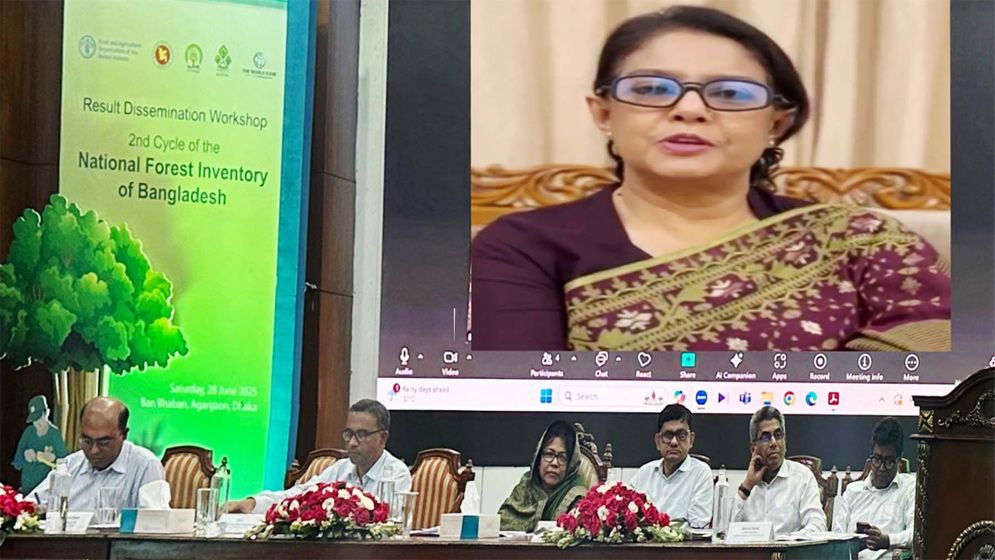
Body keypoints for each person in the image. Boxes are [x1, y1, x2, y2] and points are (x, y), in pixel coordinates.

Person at [471, 5, 950, 352]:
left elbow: (932, 375)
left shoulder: (857, 239)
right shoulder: (522, 246)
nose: (690, 109)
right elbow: (520, 397)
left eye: (731, 93)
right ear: (603, 113)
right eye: (652, 88)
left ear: (776, 122)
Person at [225, 399, 411, 514]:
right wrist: (252, 503)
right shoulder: (341, 469)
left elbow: (386, 523)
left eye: (361, 435)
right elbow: (299, 495)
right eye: (349, 434)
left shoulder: (397, 474)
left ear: (383, 438)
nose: (352, 443)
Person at [28, 397, 164, 510]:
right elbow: (30, 505)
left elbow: (155, 523)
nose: (94, 450)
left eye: (103, 442)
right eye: (87, 441)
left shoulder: (145, 466)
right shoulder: (71, 464)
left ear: (124, 435)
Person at [733, 406, 826, 536]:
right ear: (753, 448)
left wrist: (785, 542)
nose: (773, 443)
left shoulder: (802, 478)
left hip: (789, 548)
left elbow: (817, 526)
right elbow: (723, 531)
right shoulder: (748, 484)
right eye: (765, 437)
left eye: (778, 435)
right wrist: (747, 486)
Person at [833, 418, 914, 559]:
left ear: (899, 459)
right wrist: (853, 543)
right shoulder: (852, 491)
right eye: (877, 459)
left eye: (889, 461)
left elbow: (915, 534)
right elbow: (836, 537)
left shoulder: (909, 488)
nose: (882, 468)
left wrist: (887, 541)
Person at [629, 404, 712, 528]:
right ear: (658, 441)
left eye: (681, 435)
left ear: (691, 440)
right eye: (668, 435)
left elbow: (698, 524)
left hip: (684, 541)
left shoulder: (701, 473)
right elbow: (628, 513)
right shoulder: (644, 473)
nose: (674, 442)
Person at [499, 420, 590, 531]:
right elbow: (501, 524)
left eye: (562, 457)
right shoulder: (526, 486)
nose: (554, 463)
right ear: (538, 459)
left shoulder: (577, 496)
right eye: (549, 454)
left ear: (570, 465)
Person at [12, 395, 69, 494]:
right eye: (34, 420)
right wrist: (25, 456)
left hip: (46, 489)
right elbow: (17, 463)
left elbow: (65, 462)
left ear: (47, 413)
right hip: (27, 488)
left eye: (40, 417)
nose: (38, 422)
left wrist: (52, 458)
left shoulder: (54, 434)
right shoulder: (28, 432)